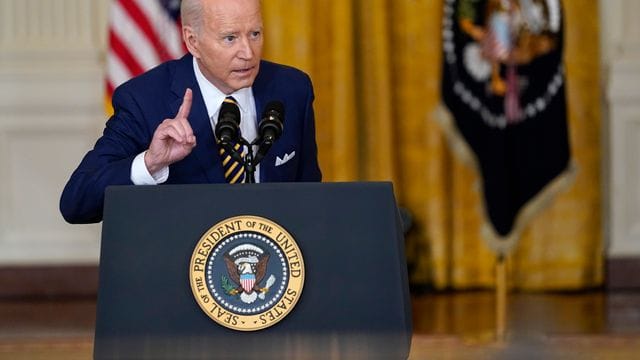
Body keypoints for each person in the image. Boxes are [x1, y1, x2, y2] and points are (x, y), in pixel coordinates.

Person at [60, 0, 322, 224]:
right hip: (183, 272)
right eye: (230, 38)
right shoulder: (144, 100)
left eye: (255, 34)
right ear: (192, 41)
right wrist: (150, 163)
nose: (248, 52)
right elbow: (76, 202)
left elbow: (310, 200)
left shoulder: (291, 89)